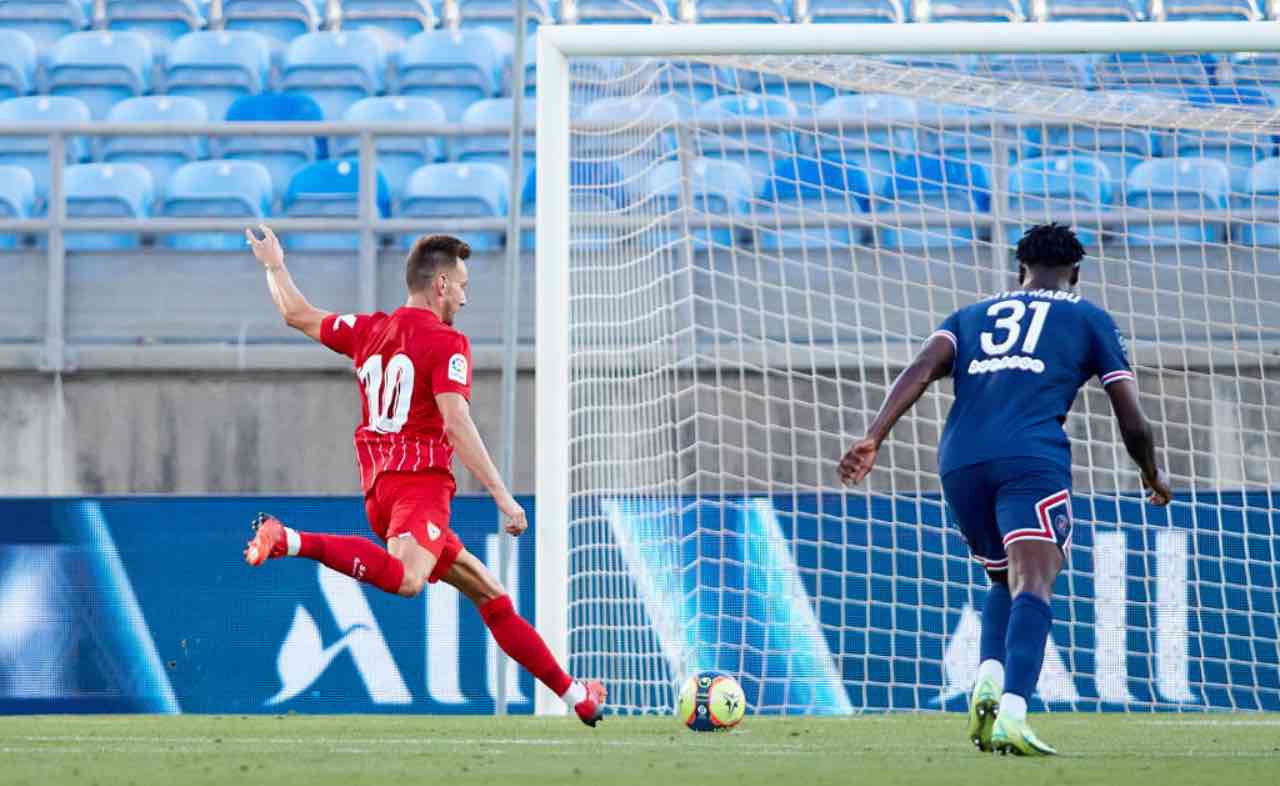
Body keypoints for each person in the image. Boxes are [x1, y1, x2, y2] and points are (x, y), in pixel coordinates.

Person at [241, 226, 605, 725]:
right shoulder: (447, 342)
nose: (464, 297)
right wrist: (504, 496)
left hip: (380, 490)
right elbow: (455, 422)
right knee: (409, 580)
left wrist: (274, 265)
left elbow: (296, 314)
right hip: (420, 486)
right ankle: (290, 540)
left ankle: (575, 696)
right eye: (461, 285)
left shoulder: (369, 329)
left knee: (490, 594)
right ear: (439, 286)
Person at [839, 223, 1172, 755]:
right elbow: (1130, 415)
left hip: (960, 462)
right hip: (1030, 458)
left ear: (1019, 268)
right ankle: (1014, 711)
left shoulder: (968, 316)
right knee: (1035, 583)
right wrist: (1151, 473)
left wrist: (874, 436)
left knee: (1002, 578)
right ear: (1075, 273)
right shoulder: (1087, 316)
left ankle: (989, 677)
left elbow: (922, 368)